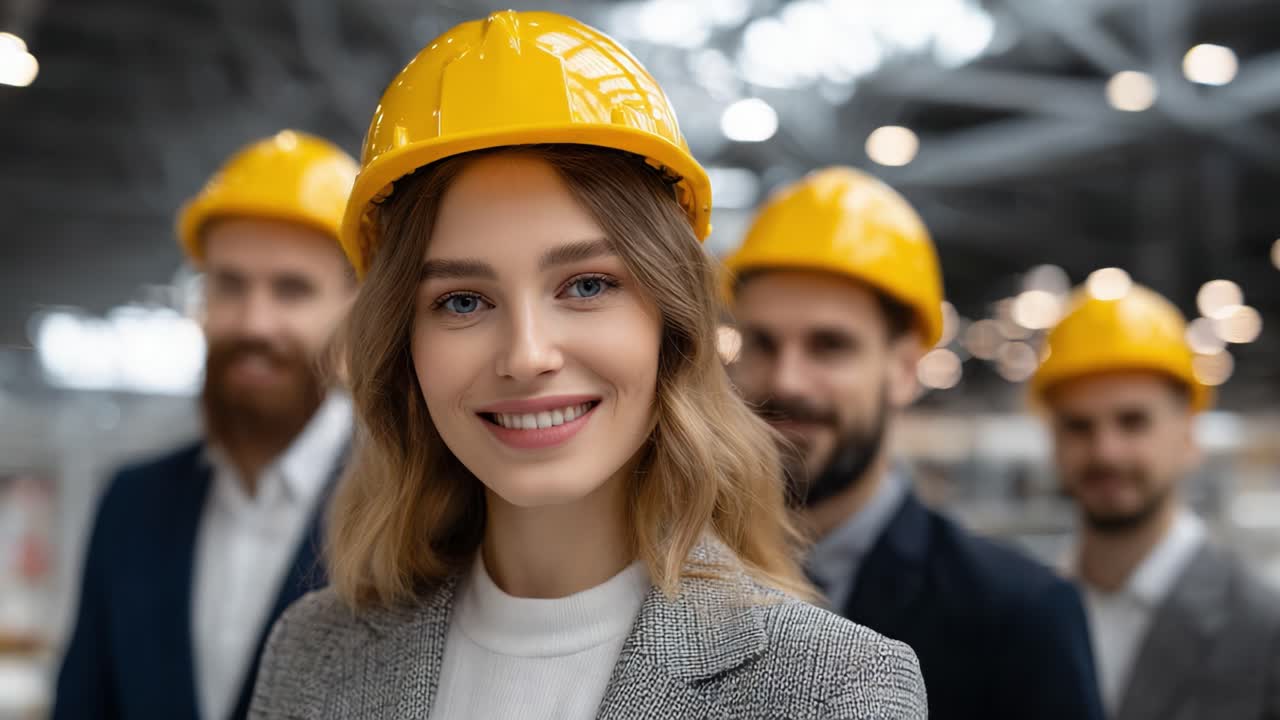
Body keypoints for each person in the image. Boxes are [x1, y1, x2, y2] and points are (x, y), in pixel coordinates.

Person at [248, 11, 927, 720]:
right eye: (462, 301)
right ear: (403, 349)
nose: (527, 356)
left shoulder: (836, 688)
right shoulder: (313, 652)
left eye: (586, 286)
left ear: (671, 321)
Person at [723, 167, 1103, 720]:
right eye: (761, 343)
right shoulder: (665, 579)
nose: (787, 381)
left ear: (903, 369)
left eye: (829, 346)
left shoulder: (1019, 616)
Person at [53, 131, 359, 720]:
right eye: (230, 285)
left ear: (353, 308)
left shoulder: (409, 508)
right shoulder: (131, 506)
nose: (254, 323)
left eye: (292, 290)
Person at [1034, 281, 1280, 720]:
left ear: (1188, 434)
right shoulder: (1018, 608)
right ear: (1052, 440)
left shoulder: (1263, 629)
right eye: (1078, 426)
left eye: (1133, 422)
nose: (1105, 451)